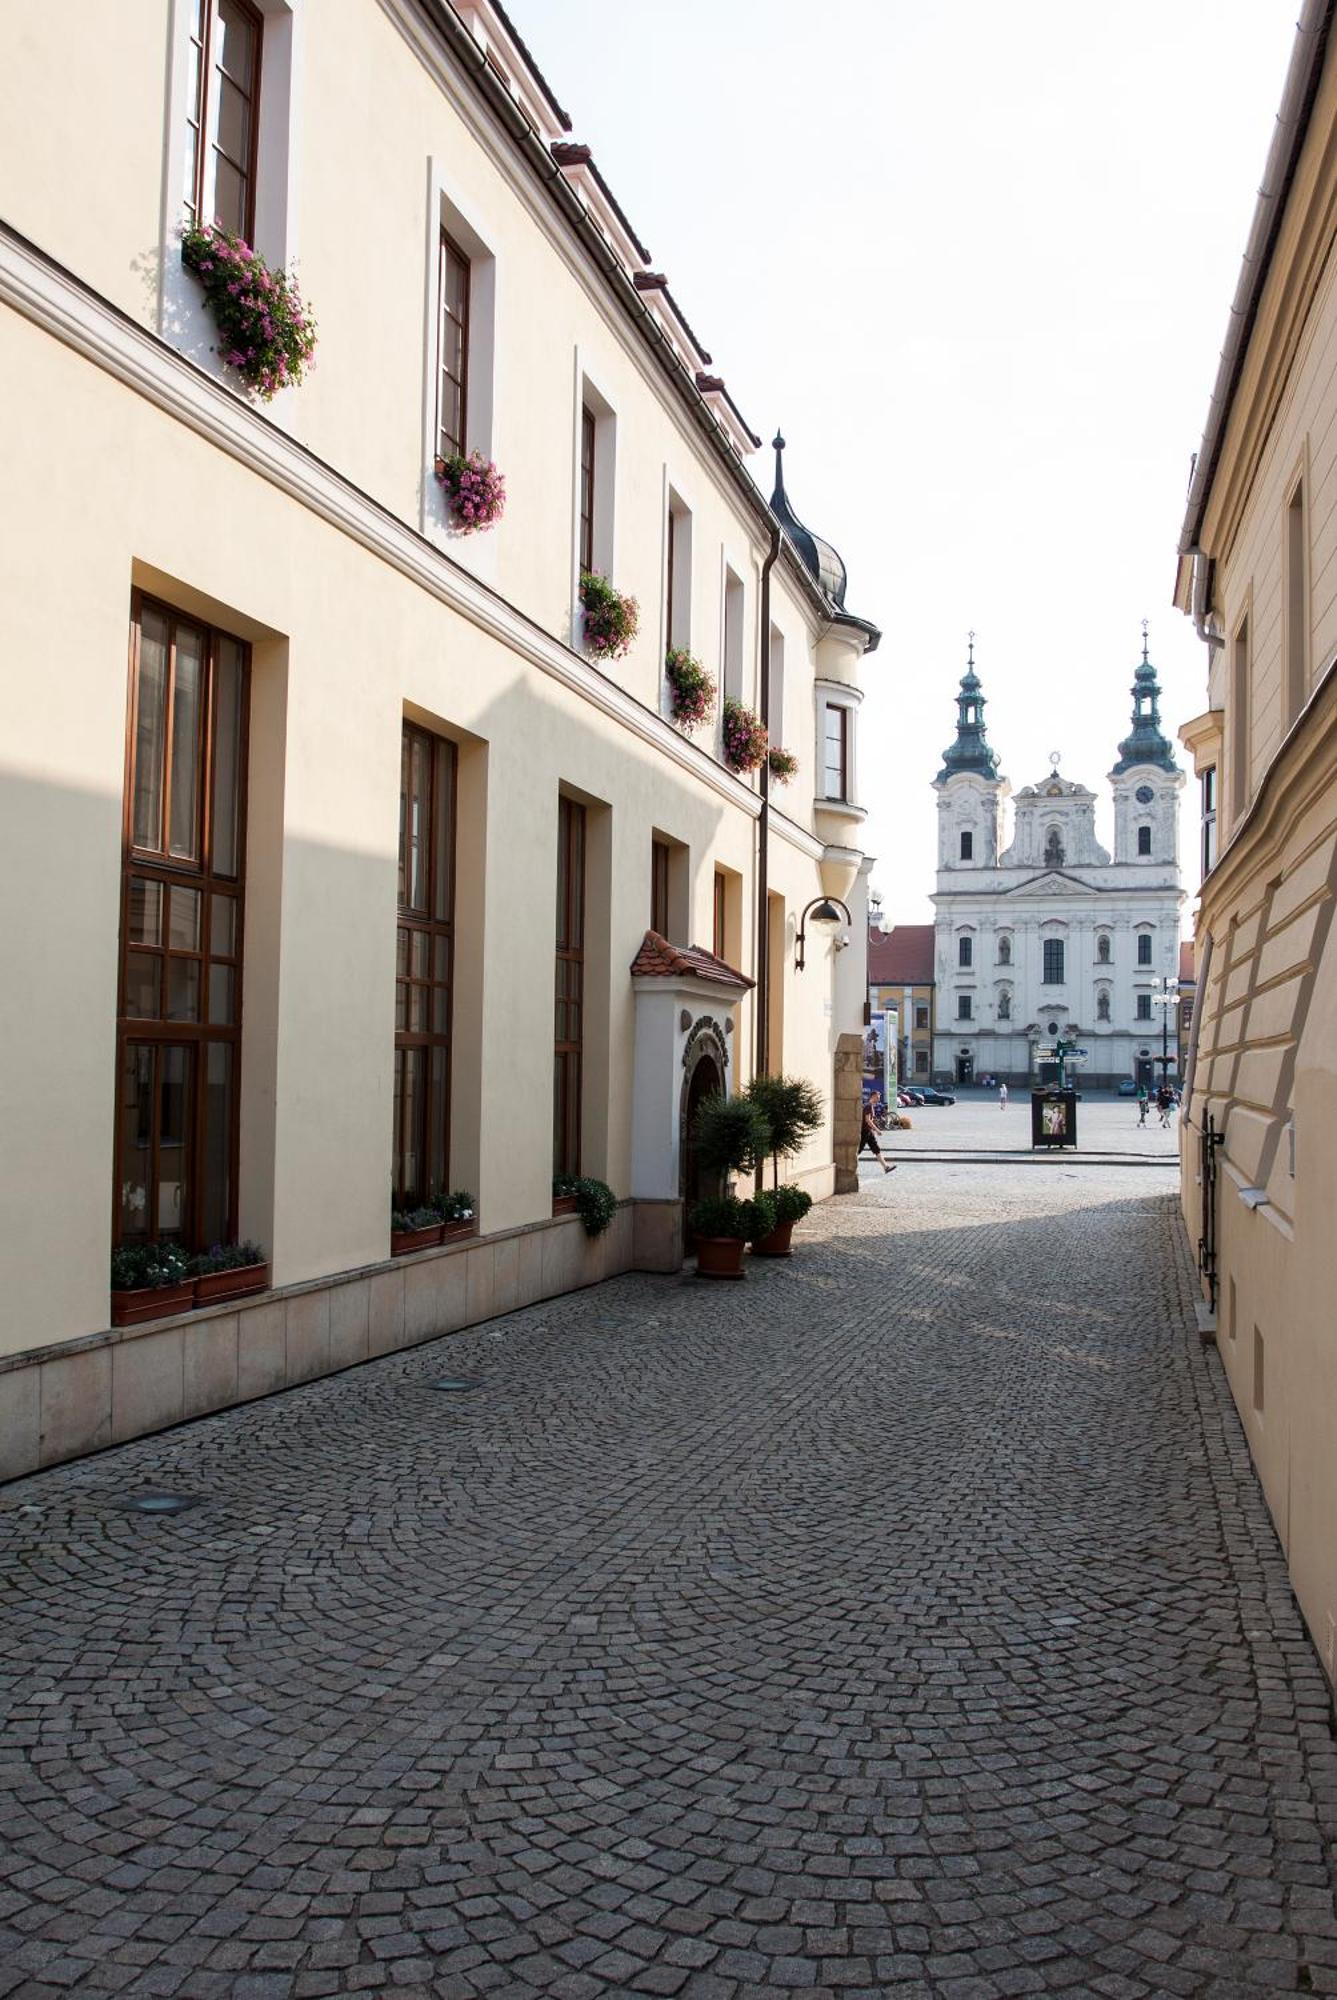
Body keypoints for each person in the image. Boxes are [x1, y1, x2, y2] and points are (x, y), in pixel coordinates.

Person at [859, 1098, 895, 1173]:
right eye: (877, 1098)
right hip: (865, 1132)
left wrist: (873, 1129)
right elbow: (868, 1120)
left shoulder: (870, 1106)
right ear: (873, 1097)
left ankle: (886, 1167)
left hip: (869, 1131)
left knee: (876, 1149)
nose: (878, 1099)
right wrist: (877, 1130)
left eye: (879, 1098)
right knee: (858, 1150)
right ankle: (850, 1168)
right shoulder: (868, 1106)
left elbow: (870, 1120)